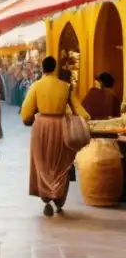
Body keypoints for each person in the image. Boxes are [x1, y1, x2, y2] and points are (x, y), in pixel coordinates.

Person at [21, 56, 90, 217]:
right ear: (55, 68)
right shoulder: (65, 87)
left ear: (43, 68)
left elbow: (26, 112)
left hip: (41, 126)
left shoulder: (36, 86)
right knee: (60, 162)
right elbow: (78, 108)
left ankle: (46, 199)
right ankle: (58, 199)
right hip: (61, 126)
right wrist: (88, 120)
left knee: (42, 162)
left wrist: (29, 119)